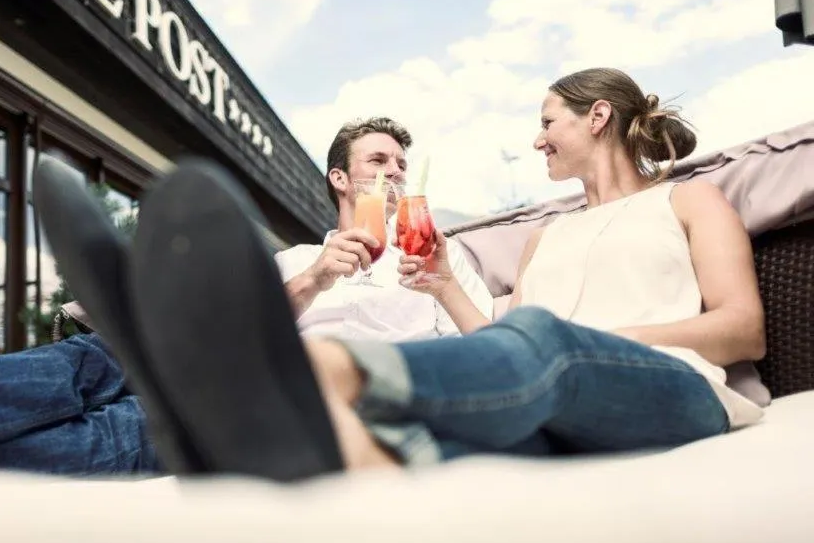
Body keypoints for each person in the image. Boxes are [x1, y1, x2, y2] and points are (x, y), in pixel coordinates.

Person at [69, 67, 768, 480]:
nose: (536, 138)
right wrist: (442, 284)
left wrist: (601, 340)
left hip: (671, 385)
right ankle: (282, 442)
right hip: (555, 393)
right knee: (474, 399)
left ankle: (307, 373)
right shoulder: (545, 238)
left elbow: (742, 332)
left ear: (599, 116)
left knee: (545, 342)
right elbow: (493, 341)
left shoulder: (686, 200)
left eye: (548, 121)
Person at [0, 118, 492, 475]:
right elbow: (240, 330)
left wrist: (442, 279)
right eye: (379, 161)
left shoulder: (442, 255)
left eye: (403, 164)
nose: (395, 173)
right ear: (341, 179)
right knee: (89, 364)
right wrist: (314, 281)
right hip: (228, 365)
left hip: (307, 408)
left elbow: (489, 354)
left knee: (126, 431)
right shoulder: (298, 258)